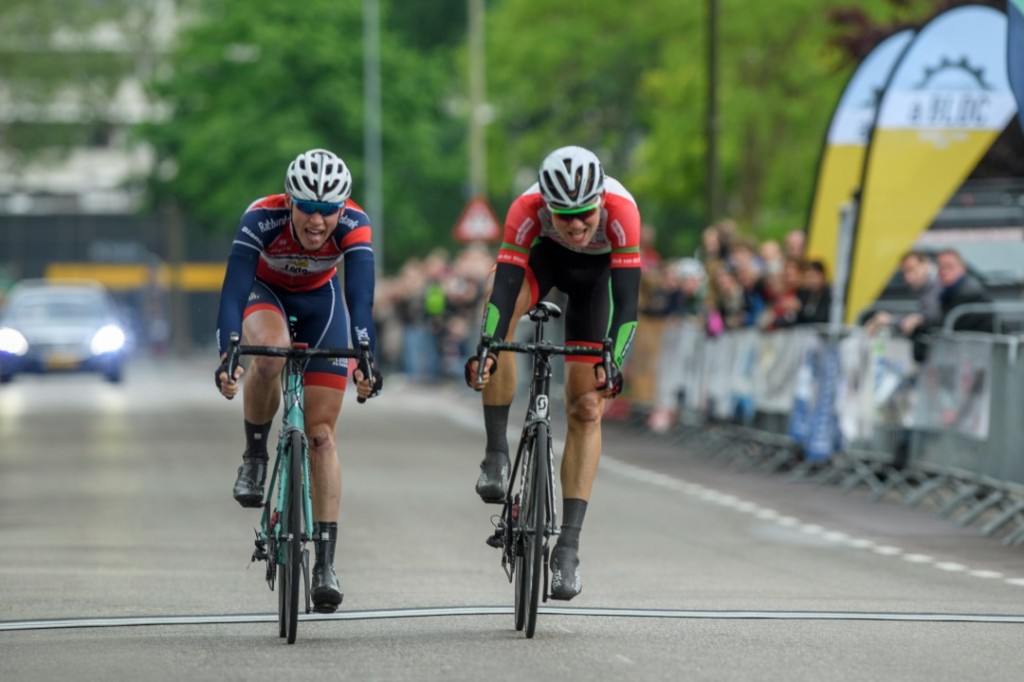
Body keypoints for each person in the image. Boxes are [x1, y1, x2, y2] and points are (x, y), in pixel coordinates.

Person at [463, 145, 642, 601]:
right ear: (547, 206)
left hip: (595, 284)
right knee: (498, 323)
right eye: (565, 217)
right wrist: (487, 345)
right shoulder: (526, 209)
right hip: (541, 264)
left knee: (586, 407)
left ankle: (567, 548)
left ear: (600, 200)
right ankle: (496, 452)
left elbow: (628, 306)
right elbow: (504, 287)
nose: (578, 225)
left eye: (585, 214)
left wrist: (613, 361)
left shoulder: (622, 212)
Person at [214, 148, 382, 614]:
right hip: (262, 293)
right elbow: (231, 291)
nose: (317, 220)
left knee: (322, 437)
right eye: (308, 208)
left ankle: (325, 563)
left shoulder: (355, 224)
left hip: (321, 303)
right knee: (271, 354)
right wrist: (229, 354)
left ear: (342, 208)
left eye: (329, 211)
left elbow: (361, 301)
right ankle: (254, 454)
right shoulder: (261, 218)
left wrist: (367, 359)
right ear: (289, 200)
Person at [935, 248, 994, 333]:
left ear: (962, 268)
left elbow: (952, 326)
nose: (943, 271)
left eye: (949, 266)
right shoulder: (947, 293)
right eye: (940, 267)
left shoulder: (969, 294)